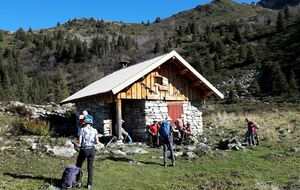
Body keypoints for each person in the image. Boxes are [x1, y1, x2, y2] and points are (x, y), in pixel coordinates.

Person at [76, 118, 99, 190]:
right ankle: (89, 184)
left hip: (84, 149)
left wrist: (78, 143)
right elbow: (97, 142)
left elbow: (80, 141)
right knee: (90, 167)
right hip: (92, 149)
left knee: (79, 165)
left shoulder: (82, 129)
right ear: (91, 123)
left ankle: (78, 182)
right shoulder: (95, 130)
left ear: (84, 123)